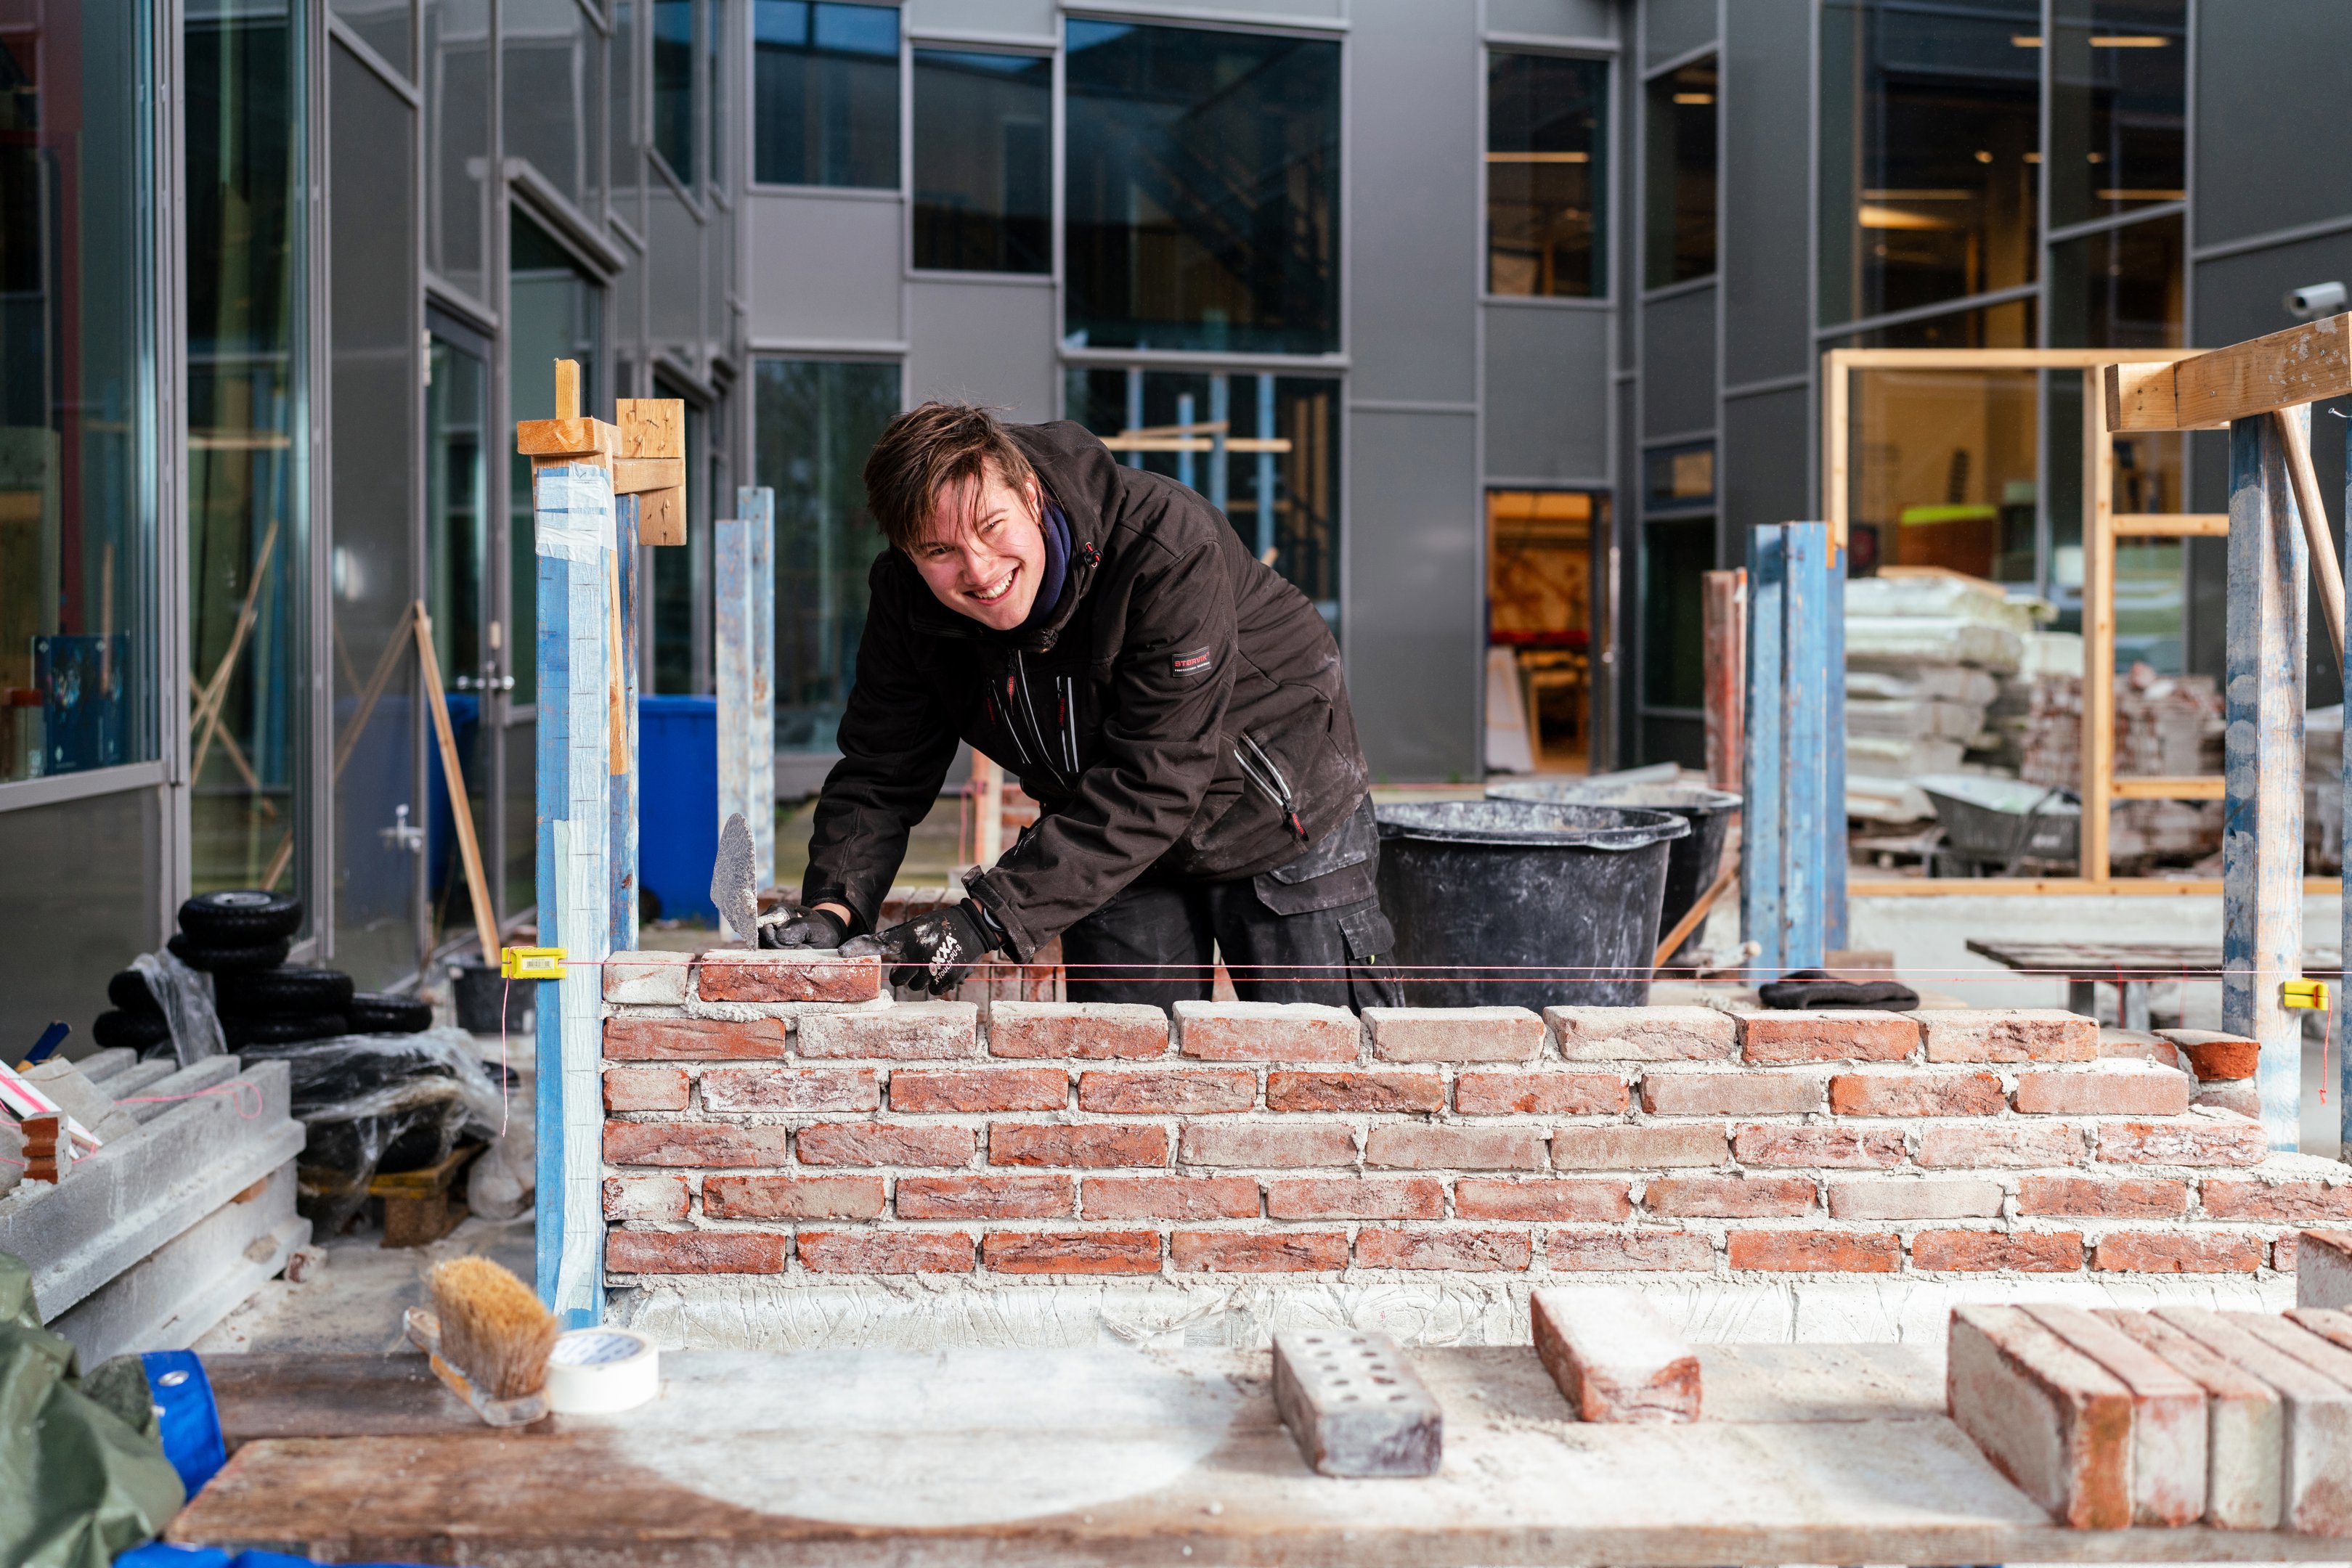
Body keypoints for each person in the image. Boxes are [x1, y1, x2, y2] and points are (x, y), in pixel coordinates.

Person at [767, 401, 1401, 1014]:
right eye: (939, 552)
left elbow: (1160, 775)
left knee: (1316, 1073)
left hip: (1279, 818)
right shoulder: (908, 603)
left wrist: (985, 917)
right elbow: (882, 766)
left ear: (1030, 493)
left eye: (991, 528)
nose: (979, 570)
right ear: (907, 553)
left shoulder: (1163, 545)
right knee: (1126, 1080)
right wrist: (834, 906)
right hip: (1100, 835)